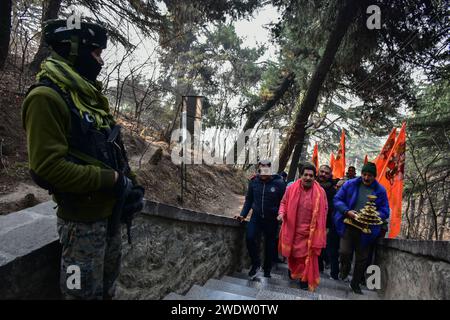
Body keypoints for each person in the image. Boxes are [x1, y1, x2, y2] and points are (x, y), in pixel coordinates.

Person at [21, 19, 144, 299]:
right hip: (81, 226)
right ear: (74, 51)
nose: (100, 61)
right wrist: (111, 180)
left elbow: (112, 149)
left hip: (110, 218)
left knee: (107, 291)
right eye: (96, 53)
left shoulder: (88, 97)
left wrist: (131, 184)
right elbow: (47, 167)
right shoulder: (46, 98)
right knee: (80, 295)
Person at [333, 162, 389, 294]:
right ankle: (345, 267)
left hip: (367, 229)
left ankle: (355, 283)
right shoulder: (350, 184)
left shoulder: (380, 191)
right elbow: (337, 199)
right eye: (364, 174)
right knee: (344, 251)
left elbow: (385, 210)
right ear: (361, 174)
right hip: (349, 223)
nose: (366, 178)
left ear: (374, 176)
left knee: (362, 258)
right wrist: (347, 211)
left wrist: (373, 215)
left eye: (369, 175)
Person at [278, 163, 328, 291]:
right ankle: (293, 269)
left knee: (307, 257)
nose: (308, 177)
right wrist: (281, 213)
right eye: (305, 174)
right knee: (294, 255)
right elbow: (284, 202)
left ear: (314, 177)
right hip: (293, 230)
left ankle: (304, 279)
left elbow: (325, 209)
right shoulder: (291, 188)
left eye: (311, 175)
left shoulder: (320, 192)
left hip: (311, 232)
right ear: (301, 176)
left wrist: (320, 226)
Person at [235, 160, 286, 279]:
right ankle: (256, 263)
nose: (263, 172)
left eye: (266, 169)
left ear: (270, 169)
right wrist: (243, 214)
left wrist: (281, 214)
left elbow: (283, 202)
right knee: (250, 237)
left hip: (272, 219)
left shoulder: (279, 183)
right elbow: (249, 200)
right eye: (261, 169)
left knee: (270, 245)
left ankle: (267, 269)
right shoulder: (253, 182)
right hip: (256, 217)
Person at [317, 165, 339, 280]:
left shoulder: (332, 190)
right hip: (309, 222)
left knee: (324, 247)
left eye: (326, 173)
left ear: (330, 175)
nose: (323, 174)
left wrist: (328, 226)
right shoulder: (312, 184)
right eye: (322, 172)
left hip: (326, 223)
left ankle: (326, 270)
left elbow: (332, 209)